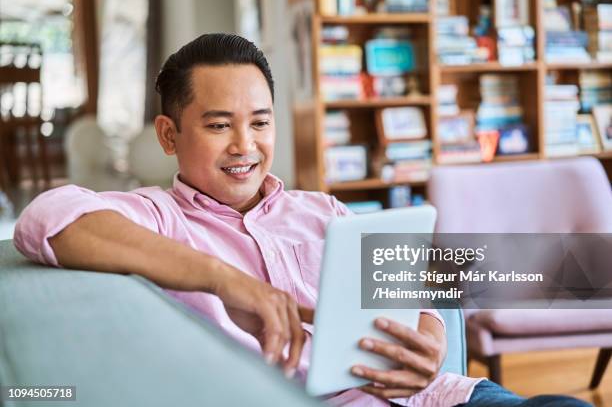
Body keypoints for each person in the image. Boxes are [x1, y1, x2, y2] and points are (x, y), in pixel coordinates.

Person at [14, 34, 590, 407]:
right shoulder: (155, 218)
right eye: (218, 126)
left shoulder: (323, 210)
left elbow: (421, 282)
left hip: (441, 396)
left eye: (260, 123)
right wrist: (225, 278)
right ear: (170, 135)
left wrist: (432, 338)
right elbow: (46, 219)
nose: (245, 145)